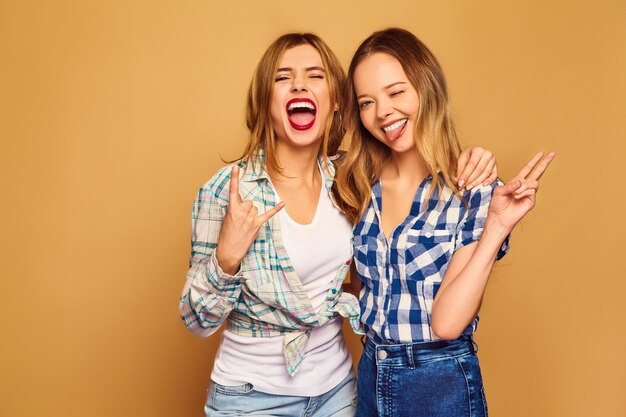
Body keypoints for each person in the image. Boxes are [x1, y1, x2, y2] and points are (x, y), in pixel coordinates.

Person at [179, 32, 497, 417]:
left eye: (314, 75)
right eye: (282, 78)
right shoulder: (227, 191)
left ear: (335, 103)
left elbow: (377, 263)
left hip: (339, 393)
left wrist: (477, 159)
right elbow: (197, 320)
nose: (299, 84)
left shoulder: (350, 181)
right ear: (265, 101)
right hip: (250, 397)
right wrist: (226, 258)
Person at [334, 28, 555, 417]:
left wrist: (497, 228)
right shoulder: (356, 184)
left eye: (396, 92)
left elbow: (448, 323)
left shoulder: (474, 191)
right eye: (366, 101)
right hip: (370, 373)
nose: (382, 111)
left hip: (440, 383)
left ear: (426, 86)